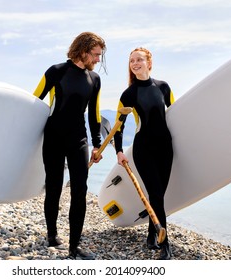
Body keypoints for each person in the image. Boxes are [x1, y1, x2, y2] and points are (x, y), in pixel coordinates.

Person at [33, 32, 106, 260]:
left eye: (99, 56)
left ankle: (74, 247)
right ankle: (52, 234)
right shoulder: (56, 71)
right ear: (83, 51)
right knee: (53, 186)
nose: (97, 60)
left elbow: (94, 114)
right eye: (95, 55)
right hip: (53, 137)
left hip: (78, 140)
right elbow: (33, 103)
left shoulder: (94, 80)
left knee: (80, 191)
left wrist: (97, 145)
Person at [113, 47, 175, 260]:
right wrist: (119, 151)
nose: (135, 63)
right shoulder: (129, 94)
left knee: (158, 195)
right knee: (156, 195)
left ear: (149, 62)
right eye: (132, 61)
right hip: (144, 149)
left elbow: (177, 115)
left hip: (165, 148)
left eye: (139, 59)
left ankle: (150, 236)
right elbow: (118, 126)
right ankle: (164, 243)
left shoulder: (163, 87)